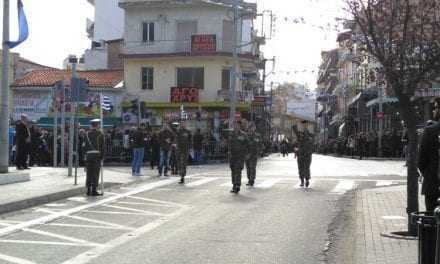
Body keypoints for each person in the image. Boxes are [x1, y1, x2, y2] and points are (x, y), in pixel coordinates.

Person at [418, 118, 440, 212]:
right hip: (433, 181)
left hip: (433, 182)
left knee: (432, 217)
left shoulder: (430, 131)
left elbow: (421, 160)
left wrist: (428, 173)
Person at [84, 119, 105, 196]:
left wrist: (85, 156)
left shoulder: (86, 134)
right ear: (97, 125)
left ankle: (88, 190)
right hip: (97, 156)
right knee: (95, 173)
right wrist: (102, 157)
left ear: (91, 125)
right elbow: (103, 147)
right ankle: (94, 190)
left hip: (88, 155)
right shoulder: (100, 134)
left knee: (89, 173)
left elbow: (84, 146)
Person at [229, 120, 249, 194]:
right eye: (234, 125)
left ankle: (237, 185)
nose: (235, 126)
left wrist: (247, 154)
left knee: (238, 171)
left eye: (237, 125)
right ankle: (234, 185)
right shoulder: (231, 134)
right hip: (232, 156)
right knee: (233, 171)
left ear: (240, 126)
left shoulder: (244, 135)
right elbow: (228, 144)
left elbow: (248, 144)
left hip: (240, 156)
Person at [292, 121, 314, 188]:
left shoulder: (309, 138)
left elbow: (312, 148)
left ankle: (306, 180)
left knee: (305, 168)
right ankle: (303, 180)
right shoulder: (300, 137)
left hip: (306, 155)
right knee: (302, 168)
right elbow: (295, 131)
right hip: (302, 155)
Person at [245, 122, 262, 187]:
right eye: (249, 128)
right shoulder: (245, 135)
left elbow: (260, 144)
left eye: (252, 128)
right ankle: (249, 179)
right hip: (247, 155)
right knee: (248, 168)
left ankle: (252, 180)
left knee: (252, 167)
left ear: (254, 128)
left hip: (254, 155)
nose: (251, 129)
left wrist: (259, 151)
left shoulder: (257, 136)